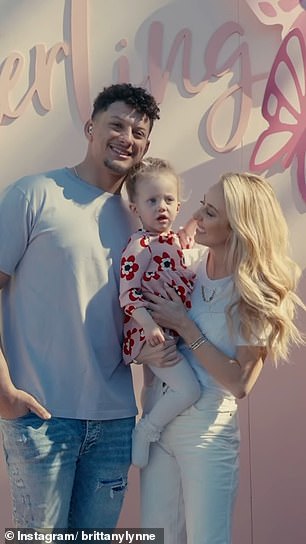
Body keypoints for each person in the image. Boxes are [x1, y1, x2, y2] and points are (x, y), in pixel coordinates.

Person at [0, 83, 178, 530]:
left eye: (138, 132)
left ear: (146, 146)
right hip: (42, 416)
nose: (127, 138)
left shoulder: (140, 218)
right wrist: (3, 389)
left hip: (116, 422)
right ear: (90, 127)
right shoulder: (34, 194)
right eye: (116, 124)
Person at [139, 172, 305, 544]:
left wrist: (186, 327)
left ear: (238, 228)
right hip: (157, 423)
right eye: (202, 205)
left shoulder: (255, 290)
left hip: (206, 435)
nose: (196, 216)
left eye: (210, 212)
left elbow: (240, 382)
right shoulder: (189, 264)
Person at [119, 157, 201, 468]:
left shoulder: (173, 241)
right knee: (189, 389)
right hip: (151, 333)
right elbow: (127, 294)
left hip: (168, 329)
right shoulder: (140, 246)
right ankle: (147, 430)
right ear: (135, 208)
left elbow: (192, 225)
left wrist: (192, 223)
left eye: (168, 200)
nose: (161, 207)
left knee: (152, 387)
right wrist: (149, 325)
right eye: (152, 201)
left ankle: (149, 430)